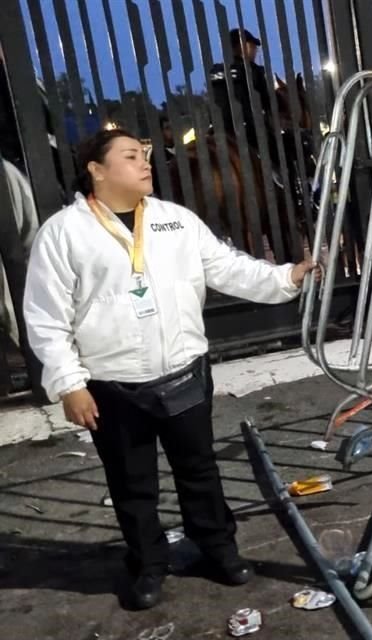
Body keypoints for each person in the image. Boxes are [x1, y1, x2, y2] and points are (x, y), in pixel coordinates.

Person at [22, 129, 317, 610]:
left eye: (146, 156)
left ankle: (218, 549)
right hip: (113, 385)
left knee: (199, 471)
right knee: (132, 483)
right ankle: (148, 565)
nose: (146, 164)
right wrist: (69, 384)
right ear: (97, 169)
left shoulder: (174, 221)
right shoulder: (64, 233)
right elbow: (45, 316)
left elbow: (226, 267)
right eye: (132, 156)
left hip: (184, 372)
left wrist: (285, 277)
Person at [209, 28, 282, 167]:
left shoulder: (215, 71)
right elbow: (268, 102)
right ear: (242, 46)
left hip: (219, 131)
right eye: (253, 46)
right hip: (249, 131)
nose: (255, 51)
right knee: (281, 155)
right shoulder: (253, 70)